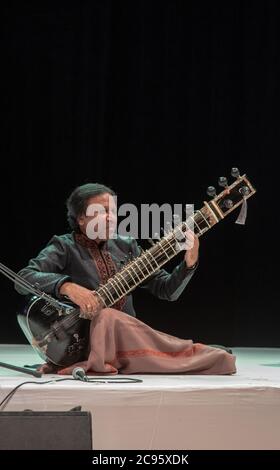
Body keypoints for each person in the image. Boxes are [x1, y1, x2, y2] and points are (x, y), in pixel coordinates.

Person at [15, 183, 236, 375]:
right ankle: (186, 351)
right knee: (107, 316)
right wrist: (68, 287)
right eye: (101, 211)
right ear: (81, 218)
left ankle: (188, 352)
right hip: (83, 341)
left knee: (214, 358)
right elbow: (23, 279)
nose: (111, 216)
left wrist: (189, 263)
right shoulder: (64, 246)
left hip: (124, 338)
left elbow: (167, 290)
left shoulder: (126, 246)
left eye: (113, 210)